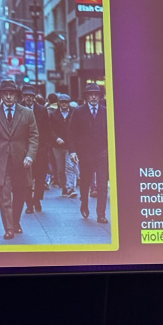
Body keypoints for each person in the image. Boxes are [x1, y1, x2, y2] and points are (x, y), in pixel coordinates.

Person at [0, 80, 39, 239]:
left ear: (16, 95)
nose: (8, 97)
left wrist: (30, 155)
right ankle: (8, 228)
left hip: (21, 160)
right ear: (0, 95)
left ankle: (15, 221)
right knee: (4, 194)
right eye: (5, 94)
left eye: (11, 94)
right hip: (0, 161)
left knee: (20, 193)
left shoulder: (27, 113)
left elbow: (34, 136)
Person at [68, 83, 109, 223]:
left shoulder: (105, 111)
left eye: (96, 94)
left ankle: (101, 214)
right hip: (85, 153)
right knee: (85, 181)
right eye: (90, 94)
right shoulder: (78, 111)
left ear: (99, 96)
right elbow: (71, 133)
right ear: (86, 96)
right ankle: (84, 203)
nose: (93, 97)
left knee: (102, 184)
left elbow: (111, 133)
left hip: (102, 153)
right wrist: (72, 151)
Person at [21, 86, 54, 213]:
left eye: (31, 95)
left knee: (40, 176)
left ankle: (37, 199)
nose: (29, 98)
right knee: (26, 176)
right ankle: (29, 203)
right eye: (26, 95)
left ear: (34, 97)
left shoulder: (42, 109)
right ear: (23, 96)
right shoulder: (19, 109)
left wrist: (46, 146)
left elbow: (47, 128)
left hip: (40, 148)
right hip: (24, 148)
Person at [49, 93, 77, 198]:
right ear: (58, 103)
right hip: (57, 146)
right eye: (62, 102)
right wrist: (56, 138)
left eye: (66, 102)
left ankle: (70, 188)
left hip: (70, 145)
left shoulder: (74, 113)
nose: (64, 104)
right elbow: (50, 129)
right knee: (60, 169)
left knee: (70, 166)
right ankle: (64, 186)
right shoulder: (53, 114)